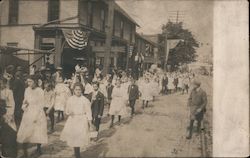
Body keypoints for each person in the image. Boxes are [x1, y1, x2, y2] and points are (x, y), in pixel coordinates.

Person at [17, 75, 48, 157]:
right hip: (28, 112)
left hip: (38, 112)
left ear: (35, 81)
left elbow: (41, 104)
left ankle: (38, 148)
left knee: (38, 131)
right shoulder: (27, 90)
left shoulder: (40, 91)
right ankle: (25, 151)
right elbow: (25, 100)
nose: (28, 83)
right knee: (25, 131)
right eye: (28, 81)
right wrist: (24, 105)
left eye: (30, 81)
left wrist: (36, 116)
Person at [60, 82, 93, 158]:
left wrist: (90, 124)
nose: (78, 91)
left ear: (82, 90)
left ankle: (77, 154)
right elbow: (67, 110)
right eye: (76, 89)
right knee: (74, 138)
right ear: (73, 90)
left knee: (79, 138)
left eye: (79, 90)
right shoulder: (70, 99)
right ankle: (77, 154)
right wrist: (69, 112)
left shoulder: (85, 100)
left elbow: (88, 112)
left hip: (82, 120)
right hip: (73, 120)